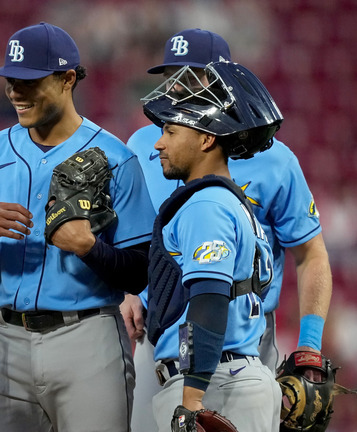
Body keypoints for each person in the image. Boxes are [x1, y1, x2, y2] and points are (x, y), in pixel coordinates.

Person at [121, 29, 333, 431]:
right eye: (170, 75)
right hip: (161, 329)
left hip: (242, 335)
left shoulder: (274, 158)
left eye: (191, 75)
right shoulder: (145, 142)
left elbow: (311, 255)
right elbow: (134, 235)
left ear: (224, 80)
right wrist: (130, 291)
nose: (177, 86)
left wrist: (309, 343)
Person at [0, 22, 157, 432]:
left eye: (28, 81)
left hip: (88, 337)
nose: (15, 92)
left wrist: (89, 248)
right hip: (6, 338)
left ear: (67, 79)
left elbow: (142, 269)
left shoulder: (116, 158)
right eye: (11, 80)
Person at [141, 60, 283, 431]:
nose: (158, 143)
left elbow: (208, 300)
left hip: (216, 384)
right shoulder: (228, 200)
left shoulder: (206, 206)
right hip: (231, 375)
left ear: (206, 139)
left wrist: (192, 402)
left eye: (171, 131)